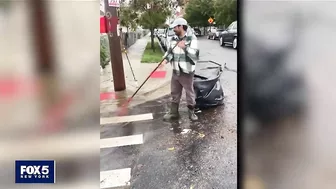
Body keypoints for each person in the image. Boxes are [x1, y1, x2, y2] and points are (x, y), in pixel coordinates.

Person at [161, 18, 200, 121]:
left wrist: (185, 48)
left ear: (181, 27)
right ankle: (174, 113)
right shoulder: (173, 39)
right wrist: (165, 61)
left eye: (175, 27)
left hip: (187, 72)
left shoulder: (192, 39)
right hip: (175, 71)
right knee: (174, 92)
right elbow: (170, 53)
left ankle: (191, 112)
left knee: (189, 93)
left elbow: (195, 56)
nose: (173, 29)